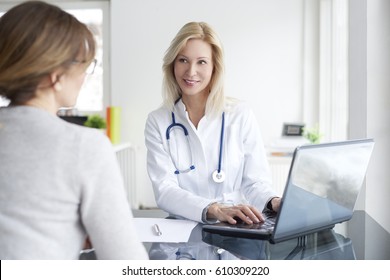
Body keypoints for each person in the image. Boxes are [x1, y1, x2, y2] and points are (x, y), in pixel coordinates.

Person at [0, 1, 148, 260]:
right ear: (56, 75)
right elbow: (127, 264)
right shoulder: (84, 146)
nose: (84, 76)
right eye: (83, 66)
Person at [144, 22, 281, 225]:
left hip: (235, 229)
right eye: (183, 60)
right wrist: (212, 209)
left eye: (201, 62)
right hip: (182, 234)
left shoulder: (240, 115)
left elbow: (256, 182)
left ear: (214, 67)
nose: (191, 72)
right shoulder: (158, 121)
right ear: (172, 64)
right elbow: (165, 190)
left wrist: (274, 202)